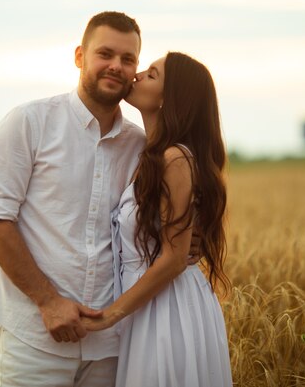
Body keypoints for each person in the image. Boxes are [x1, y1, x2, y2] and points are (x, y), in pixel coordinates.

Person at [0, 12, 199, 386]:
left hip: (111, 345)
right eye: (105, 54)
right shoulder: (29, 122)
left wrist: (192, 239)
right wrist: (48, 301)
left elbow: (167, 224)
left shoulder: (142, 148)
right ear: (80, 55)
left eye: (128, 59)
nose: (116, 66)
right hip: (35, 337)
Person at [81, 52, 234, 387]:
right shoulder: (149, 153)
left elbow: (176, 257)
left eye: (151, 74)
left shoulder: (174, 158)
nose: (136, 76)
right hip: (148, 304)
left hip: (168, 310)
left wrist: (111, 315)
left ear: (168, 98)